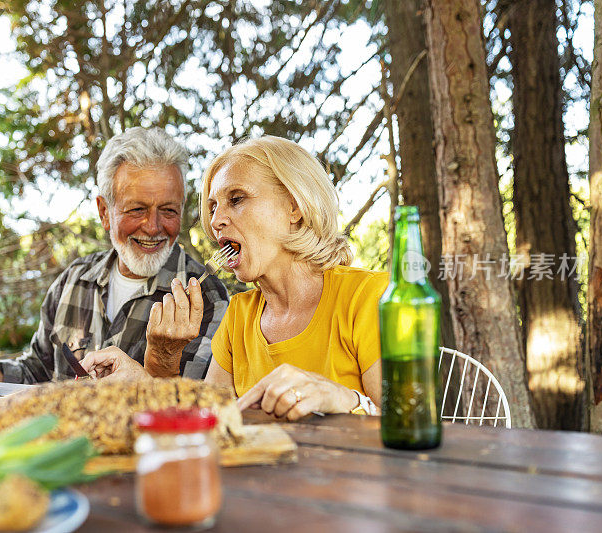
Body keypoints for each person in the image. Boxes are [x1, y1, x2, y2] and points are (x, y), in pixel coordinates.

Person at [81, 136, 388, 421]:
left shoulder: (370, 297)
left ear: (294, 206)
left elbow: (409, 427)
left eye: (237, 198)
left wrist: (344, 399)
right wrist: (145, 380)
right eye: (212, 207)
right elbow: (210, 426)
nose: (215, 221)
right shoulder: (239, 317)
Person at [0, 127, 229, 383]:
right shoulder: (74, 279)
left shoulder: (207, 297)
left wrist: (160, 360)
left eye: (168, 210)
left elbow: (193, 409)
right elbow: (35, 373)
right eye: (137, 209)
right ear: (104, 211)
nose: (153, 226)